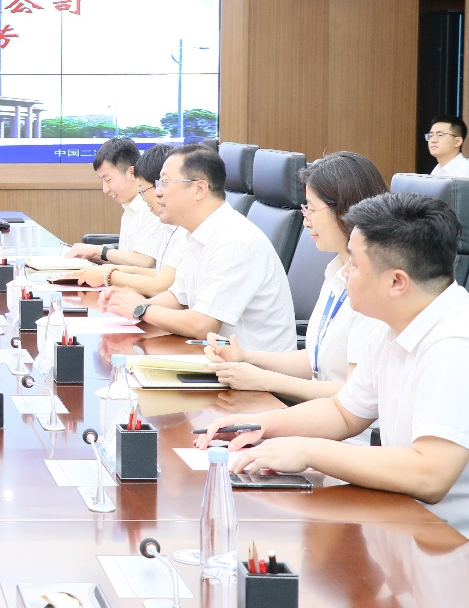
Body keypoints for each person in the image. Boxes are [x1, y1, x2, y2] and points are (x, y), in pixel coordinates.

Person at [198, 192, 469, 537]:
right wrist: (259, 425)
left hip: (448, 543)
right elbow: (344, 412)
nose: (344, 273)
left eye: (354, 263)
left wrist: (308, 451)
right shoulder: (393, 326)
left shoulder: (454, 345)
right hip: (400, 520)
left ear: (397, 281)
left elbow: (430, 474)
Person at [204, 151, 388, 405]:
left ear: (344, 208)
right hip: (315, 412)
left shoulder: (374, 286)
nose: (306, 219)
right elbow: (315, 361)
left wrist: (262, 380)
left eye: (311, 208)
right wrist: (245, 356)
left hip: (343, 425)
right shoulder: (337, 270)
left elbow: (353, 394)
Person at [99, 144, 296, 350]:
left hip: (254, 366)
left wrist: (141, 309)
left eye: (165, 183)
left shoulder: (234, 241)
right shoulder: (194, 234)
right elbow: (179, 298)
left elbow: (203, 325)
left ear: (199, 189)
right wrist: (125, 303)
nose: (157, 193)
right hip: (215, 356)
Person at [71, 143, 184, 297]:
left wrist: (105, 265)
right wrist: (101, 263)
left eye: (108, 180)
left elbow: (148, 268)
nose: (105, 189)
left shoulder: (158, 213)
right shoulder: (133, 209)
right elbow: (159, 274)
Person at [65, 137, 160, 269]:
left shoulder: (152, 208)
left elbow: (144, 261)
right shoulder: (129, 208)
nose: (105, 189)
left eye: (108, 180)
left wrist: (99, 250)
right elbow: (126, 262)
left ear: (131, 173)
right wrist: (91, 255)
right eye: (102, 181)